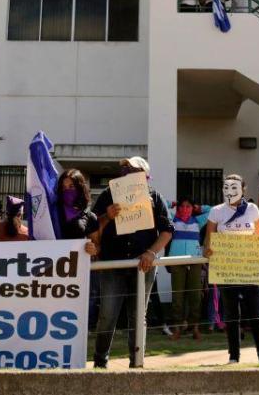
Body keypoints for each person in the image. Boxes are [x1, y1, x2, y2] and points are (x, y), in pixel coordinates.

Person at [92, 156, 173, 369]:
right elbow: (91, 232)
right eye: (124, 169)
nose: (126, 172)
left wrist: (151, 253)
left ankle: (136, 365)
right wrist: (106, 217)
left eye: (132, 169)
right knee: (107, 315)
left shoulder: (155, 197)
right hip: (112, 265)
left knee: (138, 317)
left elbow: (167, 231)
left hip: (142, 266)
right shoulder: (108, 195)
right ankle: (100, 364)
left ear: (145, 175)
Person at [204, 174, 259, 364]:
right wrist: (208, 249)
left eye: (234, 187)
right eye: (227, 187)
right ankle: (233, 357)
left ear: (243, 189)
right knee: (232, 315)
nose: (230, 190)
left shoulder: (253, 209)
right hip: (227, 268)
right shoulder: (216, 211)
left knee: (256, 313)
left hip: (249, 267)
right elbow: (209, 239)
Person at [168, 197, 210, 340]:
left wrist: (200, 207)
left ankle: (195, 328)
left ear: (193, 208)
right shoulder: (172, 220)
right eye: (182, 206)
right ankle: (177, 330)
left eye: (189, 206)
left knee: (195, 296)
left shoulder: (198, 221)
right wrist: (172, 203)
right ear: (178, 208)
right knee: (177, 296)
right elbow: (163, 207)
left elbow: (211, 211)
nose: (185, 209)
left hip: (195, 260)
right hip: (176, 260)